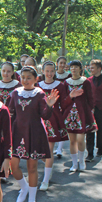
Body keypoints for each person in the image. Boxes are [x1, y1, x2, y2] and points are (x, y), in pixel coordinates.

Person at [9, 66, 59, 202]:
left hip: (34, 132)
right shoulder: (15, 93)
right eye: (22, 77)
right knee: (13, 165)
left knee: (32, 167)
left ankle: (32, 198)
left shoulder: (39, 94)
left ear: (36, 79)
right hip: (17, 132)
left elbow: (45, 115)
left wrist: (49, 106)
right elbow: (10, 113)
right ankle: (24, 188)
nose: (25, 80)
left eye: (28, 77)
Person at [37, 62, 69, 191]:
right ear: (43, 71)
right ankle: (48, 168)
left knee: (49, 150)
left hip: (53, 120)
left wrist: (71, 97)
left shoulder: (60, 86)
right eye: (47, 71)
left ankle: (45, 180)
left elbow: (64, 103)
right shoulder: (38, 85)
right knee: (40, 152)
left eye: (52, 71)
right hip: (39, 120)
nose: (49, 74)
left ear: (55, 71)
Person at [62, 60, 95, 171]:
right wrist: (71, 97)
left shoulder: (85, 82)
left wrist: (89, 111)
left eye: (76, 67)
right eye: (72, 67)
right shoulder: (66, 83)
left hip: (82, 114)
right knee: (72, 141)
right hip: (70, 115)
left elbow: (90, 99)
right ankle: (74, 164)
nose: (74, 69)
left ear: (80, 69)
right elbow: (64, 101)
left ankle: (82, 162)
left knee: (81, 139)